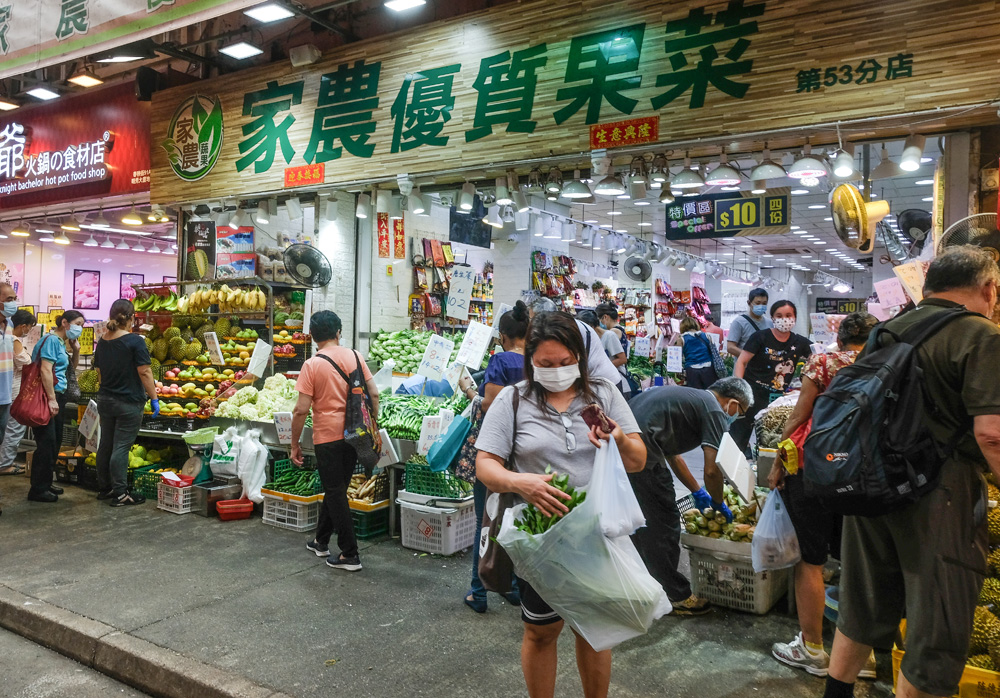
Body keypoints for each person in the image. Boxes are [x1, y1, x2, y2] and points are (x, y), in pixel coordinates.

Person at [825, 246, 1000, 698]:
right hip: (938, 494)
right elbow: (992, 434)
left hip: (870, 483)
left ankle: (836, 692)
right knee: (936, 624)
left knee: (862, 605)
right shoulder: (980, 334)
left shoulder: (890, 328)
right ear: (989, 288)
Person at [476, 311, 647, 698]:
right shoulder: (514, 400)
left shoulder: (603, 393)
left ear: (581, 359)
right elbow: (486, 464)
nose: (556, 370)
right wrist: (522, 482)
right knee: (540, 631)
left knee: (595, 632)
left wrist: (618, 437)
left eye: (566, 363)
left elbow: (637, 459)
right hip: (542, 543)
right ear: (530, 361)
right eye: (546, 364)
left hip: (597, 537)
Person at [767, 312, 878, 678]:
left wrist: (778, 462)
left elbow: (799, 415)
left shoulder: (825, 362)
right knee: (858, 561)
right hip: (867, 470)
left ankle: (813, 648)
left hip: (817, 465)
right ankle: (860, 654)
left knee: (811, 560)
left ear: (841, 338)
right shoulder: (888, 362)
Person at [626, 377, 753, 615]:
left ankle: (643, 587)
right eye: (742, 412)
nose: (738, 417)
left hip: (627, 456)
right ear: (733, 402)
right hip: (643, 461)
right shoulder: (714, 409)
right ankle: (677, 595)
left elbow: (673, 456)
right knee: (663, 527)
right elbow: (712, 470)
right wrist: (717, 502)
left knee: (639, 525)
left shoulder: (689, 398)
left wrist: (697, 490)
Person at [292, 311, 379, 573]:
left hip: (327, 437)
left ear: (313, 336)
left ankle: (350, 553)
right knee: (337, 488)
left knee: (334, 490)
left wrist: (294, 443)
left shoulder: (311, 365)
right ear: (338, 332)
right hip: (354, 435)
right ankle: (320, 541)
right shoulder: (355, 356)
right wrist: (373, 425)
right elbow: (373, 393)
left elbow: (300, 410)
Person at [459, 300, 529, 613]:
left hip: (496, 450)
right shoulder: (539, 363)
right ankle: (512, 587)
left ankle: (479, 591)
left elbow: (490, 404)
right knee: (516, 519)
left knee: (486, 522)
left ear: (502, 335)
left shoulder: (500, 361)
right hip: (526, 451)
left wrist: (471, 394)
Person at [94, 300, 159, 506]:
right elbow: (145, 371)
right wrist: (154, 398)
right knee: (121, 447)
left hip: (105, 399)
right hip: (127, 402)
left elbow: (99, 373)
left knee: (106, 444)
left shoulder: (103, 340)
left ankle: (104, 488)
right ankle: (121, 494)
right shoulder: (135, 341)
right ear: (132, 318)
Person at [731, 301, 810, 453]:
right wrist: (739, 391)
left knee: (770, 440)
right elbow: (742, 362)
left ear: (794, 318)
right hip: (751, 395)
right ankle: (729, 474)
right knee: (739, 437)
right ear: (772, 318)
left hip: (777, 399)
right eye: (779, 316)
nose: (784, 319)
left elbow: (818, 356)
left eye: (788, 315)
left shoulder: (800, 342)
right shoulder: (760, 337)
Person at [28, 310, 85, 503]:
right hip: (46, 397)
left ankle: (45, 482)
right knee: (47, 442)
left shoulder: (61, 343)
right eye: (78, 323)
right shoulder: (51, 340)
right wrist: (51, 399)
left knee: (56, 441)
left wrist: (75, 350)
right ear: (65, 322)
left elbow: (71, 369)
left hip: (57, 396)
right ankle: (38, 489)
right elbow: (45, 370)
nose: (80, 328)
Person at [529, 298, 622, 389]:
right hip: (595, 381)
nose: (532, 323)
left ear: (543, 316)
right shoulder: (565, 326)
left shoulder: (567, 328)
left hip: (603, 384)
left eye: (532, 318)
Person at [0, 309, 37, 477]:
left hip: (8, 391)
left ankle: (5, 461)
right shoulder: (14, 341)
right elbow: (26, 364)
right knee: (14, 429)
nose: (29, 331)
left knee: (7, 429)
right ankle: (5, 464)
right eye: (29, 327)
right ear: (23, 326)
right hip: (14, 391)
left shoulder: (6, 339)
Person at [672, 316, 717, 390]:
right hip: (708, 368)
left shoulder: (681, 339)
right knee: (709, 392)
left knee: (695, 394)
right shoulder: (706, 335)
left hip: (692, 369)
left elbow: (677, 357)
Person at [727, 288, 771, 358]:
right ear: (749, 303)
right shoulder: (738, 322)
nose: (761, 306)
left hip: (764, 367)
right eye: (758, 303)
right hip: (744, 367)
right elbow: (730, 347)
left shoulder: (770, 323)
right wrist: (750, 357)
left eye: (764, 303)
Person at [0, 283, 17, 458]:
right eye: (9, 299)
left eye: (15, 299)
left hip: (5, 395)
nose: (14, 304)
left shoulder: (10, 324)